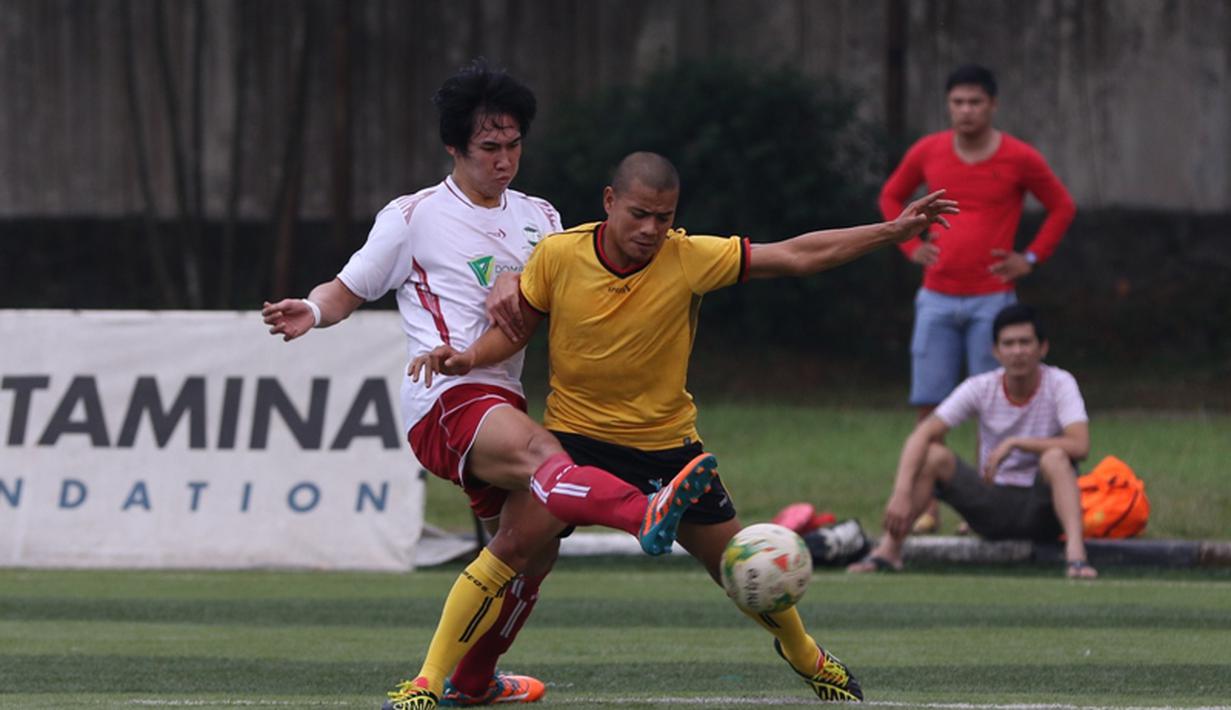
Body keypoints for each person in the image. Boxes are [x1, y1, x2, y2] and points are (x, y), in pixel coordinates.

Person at [412, 151, 959, 703]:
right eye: (639, 214)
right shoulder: (558, 255)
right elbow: (516, 330)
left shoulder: (690, 256)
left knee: (740, 566)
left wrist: (892, 231)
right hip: (575, 444)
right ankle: (427, 682)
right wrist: (467, 357)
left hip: (668, 452)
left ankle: (805, 654)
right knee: (511, 548)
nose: (652, 229)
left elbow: (796, 255)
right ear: (609, 202)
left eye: (664, 217)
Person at [261, 64, 717, 710]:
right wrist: (313, 310)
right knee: (547, 461)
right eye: (488, 148)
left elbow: (558, 286)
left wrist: (520, 282)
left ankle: (473, 683)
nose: (503, 161)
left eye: (513, 146)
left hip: (505, 398)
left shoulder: (541, 217)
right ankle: (642, 512)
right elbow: (346, 289)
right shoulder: (413, 216)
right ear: (454, 147)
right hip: (444, 397)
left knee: (531, 553)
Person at [879, 64, 1076, 534]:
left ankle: (984, 502)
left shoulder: (1019, 157)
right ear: (948, 106)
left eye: (975, 102)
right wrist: (910, 245)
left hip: (993, 300)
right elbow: (891, 198)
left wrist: (1030, 257)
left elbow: (1062, 206)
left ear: (993, 105)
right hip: (937, 299)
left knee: (995, 406)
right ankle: (926, 506)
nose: (966, 111)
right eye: (958, 102)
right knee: (931, 405)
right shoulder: (928, 151)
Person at [847, 303, 1098, 579]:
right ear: (995, 351)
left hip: (1044, 508)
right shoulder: (981, 386)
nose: (1017, 351)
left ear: (1043, 348)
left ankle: (1076, 557)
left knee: (1056, 457)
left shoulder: (1060, 383)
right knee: (933, 455)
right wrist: (901, 491)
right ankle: (889, 551)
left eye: (1025, 342)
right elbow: (923, 433)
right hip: (992, 503)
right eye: (1009, 343)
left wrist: (1017, 443)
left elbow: (1080, 445)